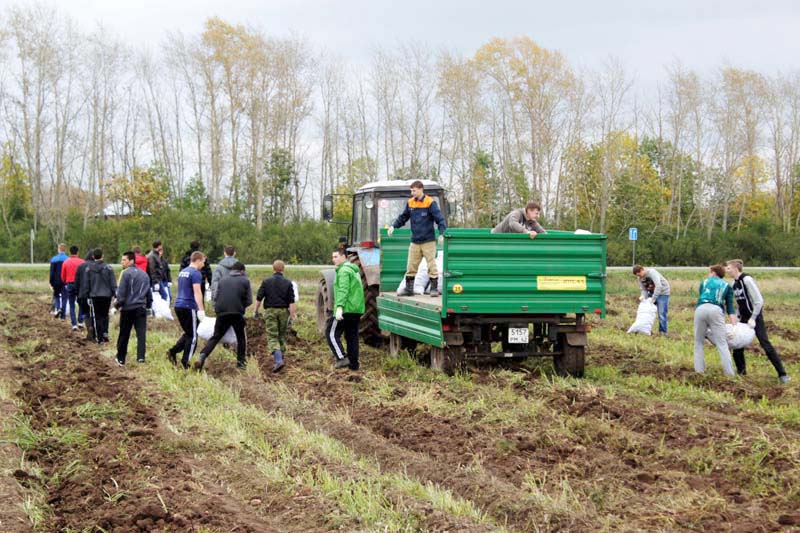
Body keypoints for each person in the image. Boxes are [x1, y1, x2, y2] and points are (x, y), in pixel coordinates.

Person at [725, 260, 790, 384]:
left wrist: (753, 318)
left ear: (735, 268)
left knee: (765, 344)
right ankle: (741, 373)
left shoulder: (747, 280)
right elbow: (740, 302)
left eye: (728, 268)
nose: (727, 270)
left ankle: (783, 374)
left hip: (755, 317)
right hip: (743, 319)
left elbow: (759, 301)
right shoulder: (734, 284)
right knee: (738, 344)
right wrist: (738, 317)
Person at [387, 180, 447, 297]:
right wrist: (393, 226)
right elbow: (403, 217)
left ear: (420, 189)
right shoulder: (410, 203)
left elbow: (440, 219)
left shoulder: (430, 203)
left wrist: (441, 233)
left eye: (414, 190)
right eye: (411, 190)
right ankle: (409, 289)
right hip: (415, 241)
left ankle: (434, 289)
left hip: (428, 241)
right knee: (411, 265)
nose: (412, 192)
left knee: (431, 265)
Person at [195, 262, 252, 371]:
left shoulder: (222, 280)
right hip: (236, 313)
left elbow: (216, 296)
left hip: (221, 312)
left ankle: (202, 355)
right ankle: (241, 363)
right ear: (242, 271)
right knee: (241, 337)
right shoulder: (245, 280)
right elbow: (249, 300)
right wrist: (240, 306)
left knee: (216, 336)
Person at [693, 265, 738, 376]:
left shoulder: (704, 282)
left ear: (713, 273)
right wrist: (734, 326)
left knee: (698, 342)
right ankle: (729, 373)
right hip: (716, 310)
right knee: (722, 343)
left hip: (700, 309)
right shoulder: (727, 286)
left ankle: (699, 371)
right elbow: (730, 308)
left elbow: (701, 296)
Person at [253, 260, 296, 373]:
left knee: (272, 336)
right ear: (283, 269)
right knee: (281, 336)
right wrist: (291, 317)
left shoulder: (266, 282)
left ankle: (278, 361)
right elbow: (292, 302)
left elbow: (259, 298)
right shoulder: (288, 283)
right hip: (283, 312)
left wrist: (255, 311)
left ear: (273, 269)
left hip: (270, 311)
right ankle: (281, 358)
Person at [325, 249, 365, 370]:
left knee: (330, 333)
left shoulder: (343, 271)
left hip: (346, 309)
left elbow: (343, 290)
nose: (334, 259)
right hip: (356, 310)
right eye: (332, 257)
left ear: (344, 257)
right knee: (352, 337)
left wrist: (339, 308)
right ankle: (354, 365)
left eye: (336, 256)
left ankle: (341, 358)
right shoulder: (354, 271)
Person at [167, 251, 206, 369]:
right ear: (198, 260)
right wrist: (201, 310)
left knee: (189, 333)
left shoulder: (182, 272)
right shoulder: (196, 273)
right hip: (189, 306)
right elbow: (197, 292)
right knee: (194, 336)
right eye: (203, 262)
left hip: (178, 305)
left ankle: (173, 351)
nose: (203, 265)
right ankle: (186, 362)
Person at [114, 251, 152, 365]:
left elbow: (122, 293)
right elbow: (148, 293)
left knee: (124, 334)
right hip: (141, 308)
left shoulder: (126, 274)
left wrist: (117, 305)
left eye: (124, 260)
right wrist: (149, 306)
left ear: (131, 260)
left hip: (128, 309)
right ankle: (141, 357)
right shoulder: (144, 275)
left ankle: (121, 358)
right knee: (141, 334)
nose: (122, 262)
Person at [86, 248, 117, 344]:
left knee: (97, 316)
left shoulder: (89, 269)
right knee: (105, 314)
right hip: (106, 295)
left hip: (95, 295)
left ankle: (100, 338)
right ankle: (105, 332)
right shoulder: (108, 268)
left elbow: (87, 283)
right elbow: (113, 282)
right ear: (102, 256)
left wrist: (87, 295)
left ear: (93, 257)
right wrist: (114, 293)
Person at [633, 265, 671, 335]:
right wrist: (643, 297)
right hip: (652, 292)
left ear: (642, 270)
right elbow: (644, 289)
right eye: (638, 276)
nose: (640, 277)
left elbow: (658, 286)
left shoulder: (652, 273)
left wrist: (653, 298)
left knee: (661, 313)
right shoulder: (639, 278)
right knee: (647, 311)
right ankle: (646, 329)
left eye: (640, 274)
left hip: (663, 293)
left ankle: (663, 332)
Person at [61, 246, 85, 330]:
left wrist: (65, 282)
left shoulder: (66, 262)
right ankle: (80, 321)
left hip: (70, 284)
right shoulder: (82, 262)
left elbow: (63, 276)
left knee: (71, 304)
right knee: (81, 303)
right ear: (77, 252)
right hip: (80, 285)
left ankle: (74, 324)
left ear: (70, 252)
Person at [75, 250, 95, 340]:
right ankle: (95, 331)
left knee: (85, 312)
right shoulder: (97, 266)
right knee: (95, 313)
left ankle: (89, 328)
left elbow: (77, 281)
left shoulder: (81, 266)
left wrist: (77, 293)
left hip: (82, 294)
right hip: (95, 294)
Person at [49, 243, 68, 318]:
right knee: (64, 297)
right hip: (65, 281)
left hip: (56, 281)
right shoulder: (68, 259)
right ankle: (63, 315)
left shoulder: (54, 259)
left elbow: (52, 272)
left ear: (58, 249)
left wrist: (51, 282)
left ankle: (58, 308)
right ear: (65, 250)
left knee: (56, 296)